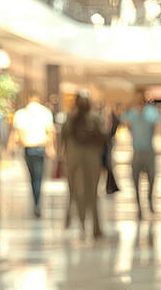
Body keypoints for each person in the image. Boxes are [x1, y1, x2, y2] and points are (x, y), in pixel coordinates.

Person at [61, 93, 108, 238]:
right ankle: (83, 222)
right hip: (78, 159)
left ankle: (93, 225)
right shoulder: (72, 118)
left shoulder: (92, 118)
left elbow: (102, 136)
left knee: (90, 193)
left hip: (87, 158)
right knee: (78, 192)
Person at [12, 93, 55, 218]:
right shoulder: (45, 113)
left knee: (33, 177)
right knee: (38, 177)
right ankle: (37, 202)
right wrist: (51, 147)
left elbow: (19, 133)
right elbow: (51, 132)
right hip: (40, 147)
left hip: (28, 148)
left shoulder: (21, 114)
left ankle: (36, 202)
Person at [122, 91, 160, 218]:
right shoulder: (132, 113)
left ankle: (149, 200)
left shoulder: (151, 112)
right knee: (135, 179)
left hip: (149, 150)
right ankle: (138, 205)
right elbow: (123, 119)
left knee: (152, 178)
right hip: (137, 151)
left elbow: (157, 121)